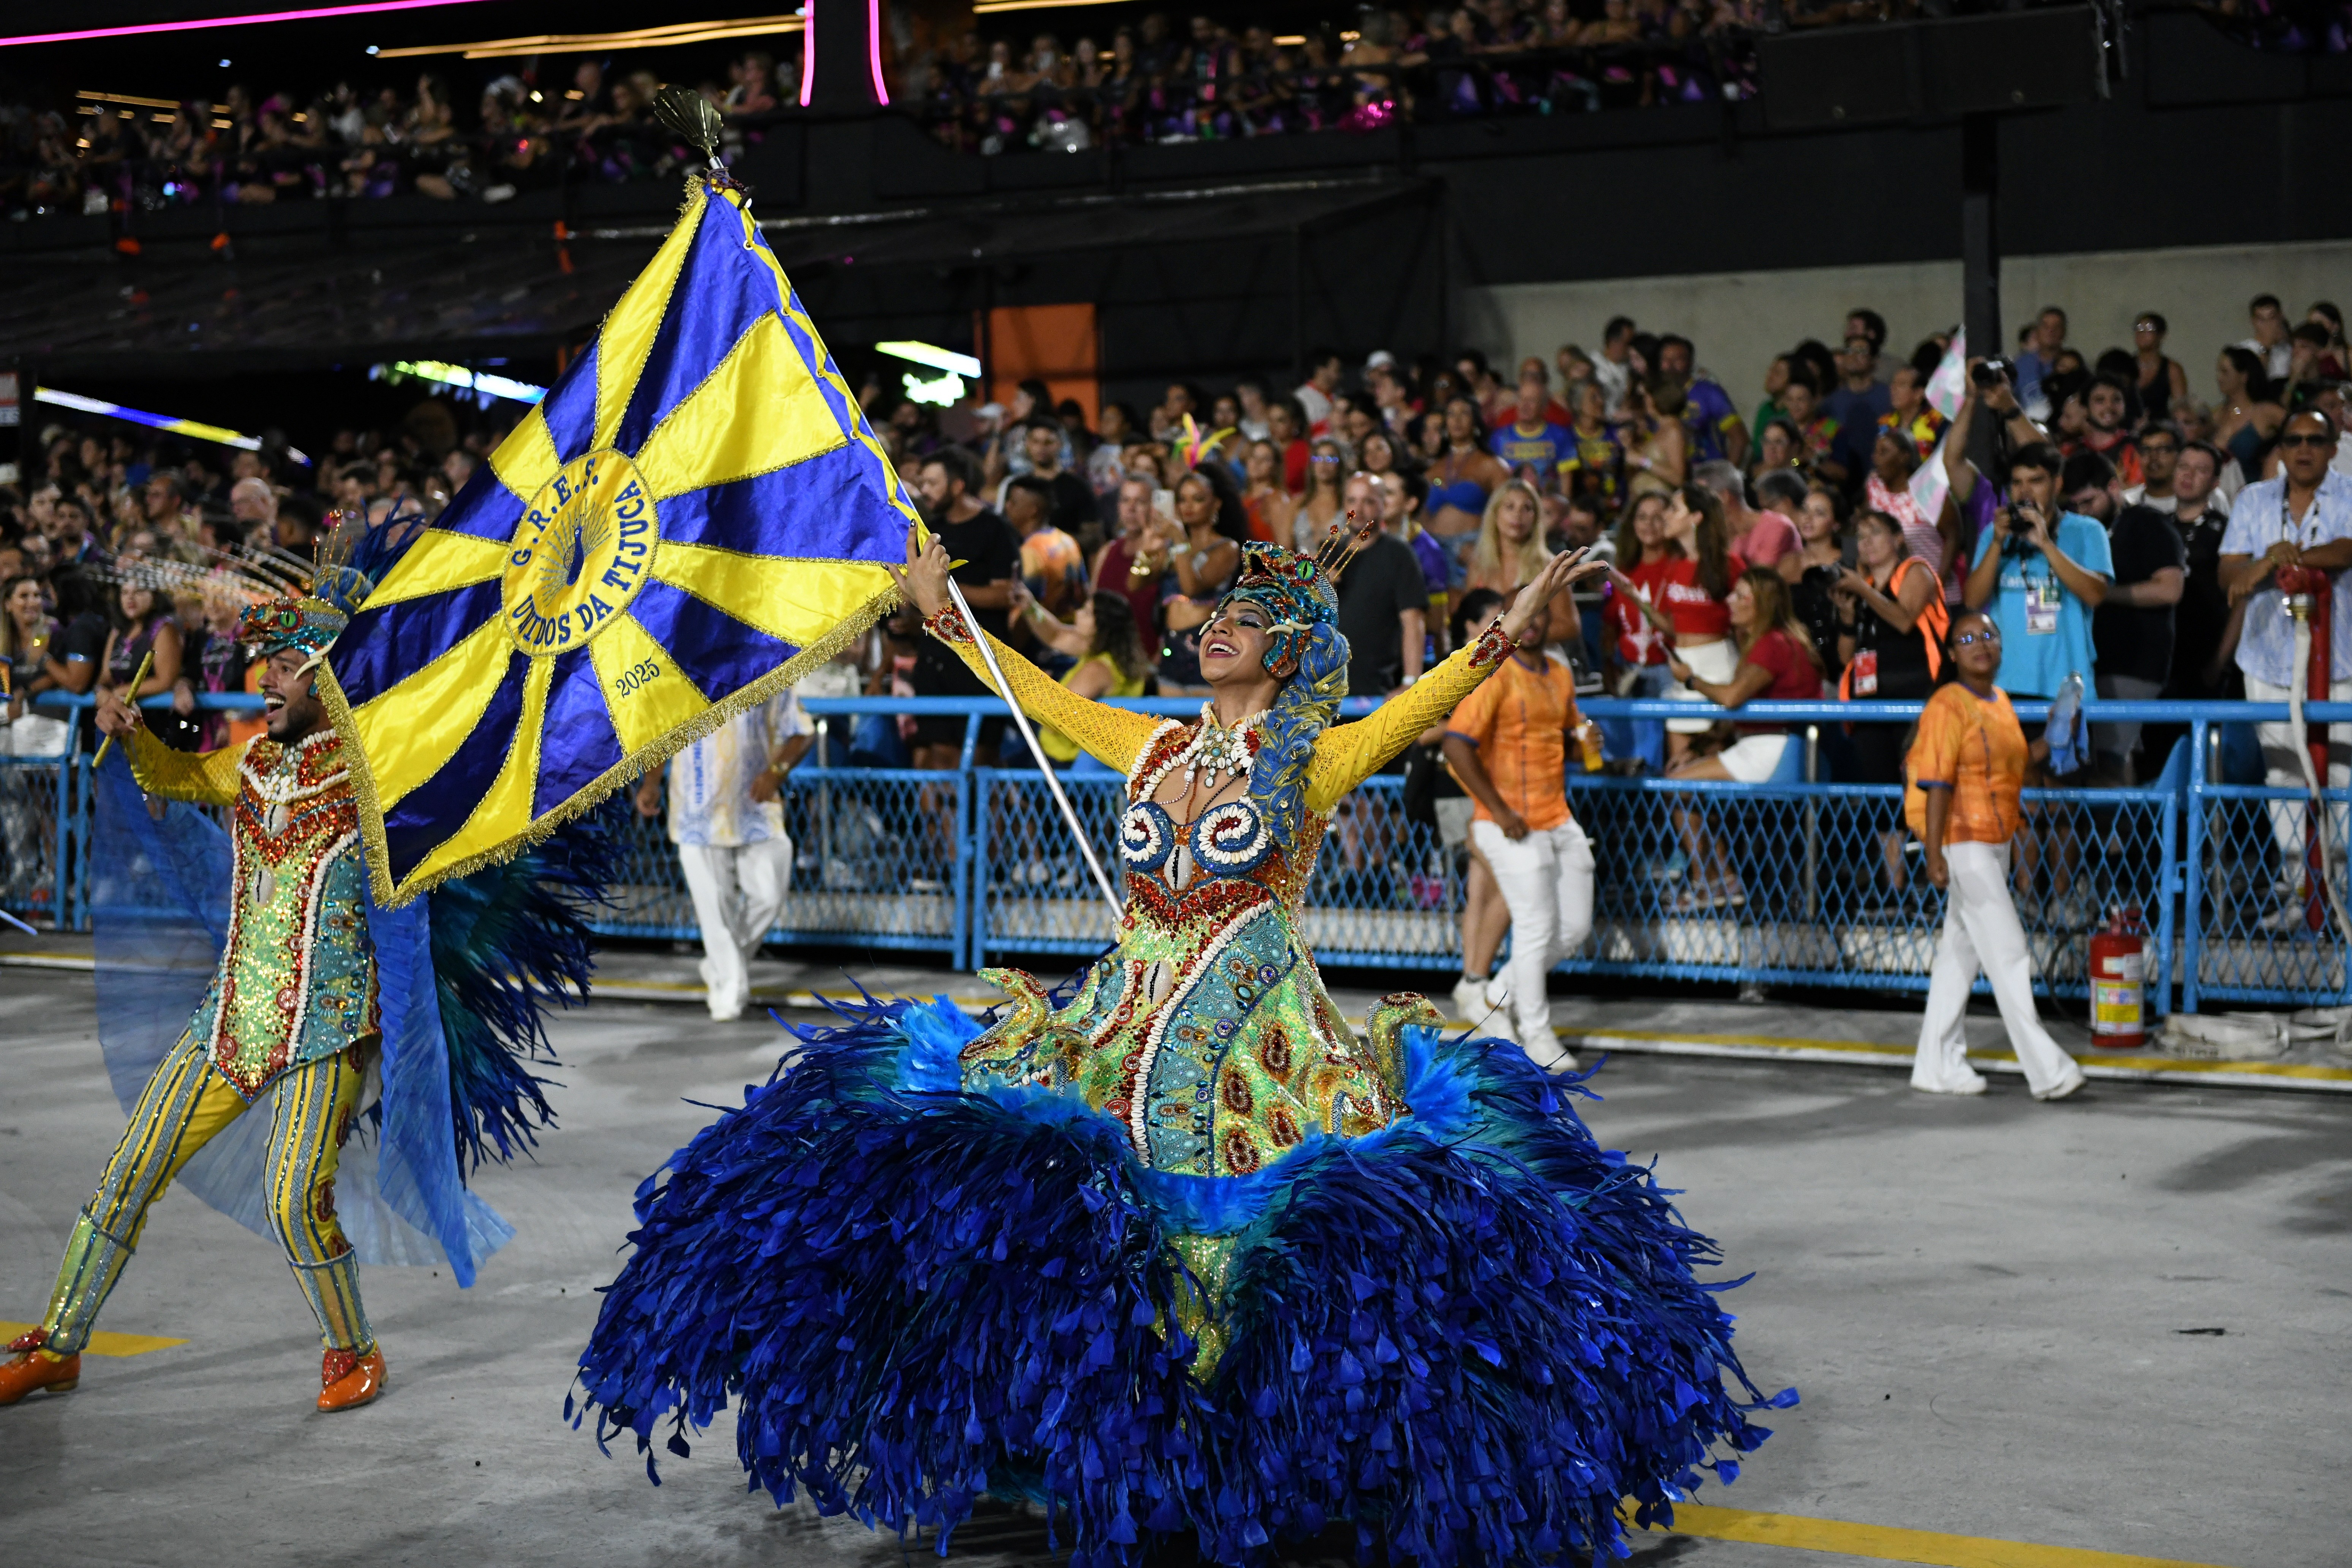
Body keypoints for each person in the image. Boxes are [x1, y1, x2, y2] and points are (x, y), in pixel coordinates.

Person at [574, 530, 1776, 1568]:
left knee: (1255, 1246)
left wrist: (1504, 629)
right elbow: (1034, 692)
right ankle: (1073, 1438)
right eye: (1213, 616)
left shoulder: (1310, 757)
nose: (1215, 630)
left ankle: (1248, 1460)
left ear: (1292, 650)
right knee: (1068, 1213)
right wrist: (943, 619)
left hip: (1260, 1039)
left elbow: (1423, 706)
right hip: (1124, 1012)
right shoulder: (1149, 746)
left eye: (1246, 622)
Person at [1, 561, 601, 1410]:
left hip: (328, 1028)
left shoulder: (372, 783)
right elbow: (177, 779)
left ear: (329, 676)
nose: (265, 679)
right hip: (231, 1019)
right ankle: (59, 1344)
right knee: (127, 1171)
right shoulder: (252, 767)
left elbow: (476, 770)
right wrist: (134, 737)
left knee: (294, 1199)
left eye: (285, 666)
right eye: (265, 666)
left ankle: (353, 1350)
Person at [1906, 611, 2090, 1102]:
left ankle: (1936, 1063)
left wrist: (2056, 731)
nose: (1980, 644)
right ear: (1952, 654)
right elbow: (1937, 780)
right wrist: (1935, 852)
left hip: (1996, 839)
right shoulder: (1949, 704)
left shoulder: (2001, 701)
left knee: (1958, 958)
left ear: (2001, 646)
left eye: (1988, 635)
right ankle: (2048, 1070)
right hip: (1963, 841)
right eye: (1967, 638)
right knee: (2008, 954)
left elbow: (2015, 763)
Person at [1442, 586, 1590, 1069]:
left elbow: (1563, 739)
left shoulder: (1561, 673)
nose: (1533, 623)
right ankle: (1537, 1034)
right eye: (1523, 613)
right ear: (1509, 617)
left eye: (1542, 613)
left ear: (1550, 620)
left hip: (1556, 816)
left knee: (1573, 928)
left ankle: (1491, 995)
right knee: (1533, 926)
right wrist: (1501, 811)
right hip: (1508, 822)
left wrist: (1587, 744)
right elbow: (1457, 744)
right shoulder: (1493, 674)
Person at [2218, 409, 2352, 924]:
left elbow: (2347, 548)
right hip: (2268, 659)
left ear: (2333, 445)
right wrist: (2262, 563)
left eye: (2315, 440)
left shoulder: (2347, 494)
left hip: (2341, 662)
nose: (2303, 449)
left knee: (2340, 774)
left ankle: (2338, 897)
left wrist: (2285, 559)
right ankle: (2301, 895)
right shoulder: (2254, 498)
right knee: (2284, 776)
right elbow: (2229, 569)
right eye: (2293, 439)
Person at [633, 691, 811, 1022]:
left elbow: (802, 731)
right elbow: (659, 734)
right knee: (715, 908)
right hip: (696, 812)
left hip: (755, 810)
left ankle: (722, 965)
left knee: (770, 896)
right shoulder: (678, 669)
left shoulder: (767, 666)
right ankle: (729, 988)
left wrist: (775, 774)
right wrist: (651, 784)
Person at [1662, 569, 1822, 909]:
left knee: (1676, 786)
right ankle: (1718, 877)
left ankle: (1712, 880)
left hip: (1775, 748)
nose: (1730, 601)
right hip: (1769, 744)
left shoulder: (1774, 643)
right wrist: (1698, 747)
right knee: (1684, 778)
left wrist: (1692, 681)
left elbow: (1734, 697)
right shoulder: (1774, 640)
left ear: (1762, 604)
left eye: (1741, 596)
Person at [1836, 511, 1946, 896]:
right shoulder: (1862, 585)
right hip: (1870, 704)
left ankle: (1938, 880)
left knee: (1925, 791)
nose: (1866, 542)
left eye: (1875, 533)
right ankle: (1894, 888)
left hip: (1915, 701)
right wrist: (1849, 617)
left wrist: (1865, 593)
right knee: (1883, 797)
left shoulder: (1914, 571)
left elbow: (1903, 620)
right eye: (1860, 535)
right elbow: (1846, 654)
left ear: (1898, 539)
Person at [1963, 443, 2111, 712]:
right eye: (2017, 483)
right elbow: (1973, 600)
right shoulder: (1994, 534)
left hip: (2067, 687)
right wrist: (1997, 543)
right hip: (2004, 684)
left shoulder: (2087, 530)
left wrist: (2046, 544)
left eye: (2036, 481)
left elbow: (2096, 594)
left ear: (2057, 485)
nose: (2025, 492)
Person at [2071, 452, 2184, 783]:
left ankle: (2118, 835)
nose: (2083, 511)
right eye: (2075, 504)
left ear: (2113, 488)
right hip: (2093, 663)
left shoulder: (2146, 523)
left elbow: (2169, 589)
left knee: (2109, 760)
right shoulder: (2079, 529)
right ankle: (2123, 835)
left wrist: (2101, 593)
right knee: (2109, 758)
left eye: (2090, 501)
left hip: (2132, 663)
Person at [907, 447, 1019, 772]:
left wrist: (943, 593)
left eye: (932, 483)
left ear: (957, 486)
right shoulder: (929, 531)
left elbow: (1004, 595)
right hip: (935, 657)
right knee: (937, 763)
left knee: (979, 765)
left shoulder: (994, 529)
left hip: (979, 659)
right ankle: (945, 826)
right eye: (922, 483)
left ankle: (987, 824)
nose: (924, 491)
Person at [1008, 587, 1154, 766]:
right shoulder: (1115, 656)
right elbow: (1056, 635)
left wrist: (1039, 685)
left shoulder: (1098, 670)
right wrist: (1030, 606)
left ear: (1102, 626)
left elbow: (1054, 720)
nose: (1078, 613)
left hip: (1062, 762)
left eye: (1086, 613)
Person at [2134, 311, 2188, 425]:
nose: (2142, 333)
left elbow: (2181, 408)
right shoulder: (2125, 365)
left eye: (2149, 328)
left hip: (2159, 430)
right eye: (2139, 328)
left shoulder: (2172, 369)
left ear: (2161, 335)